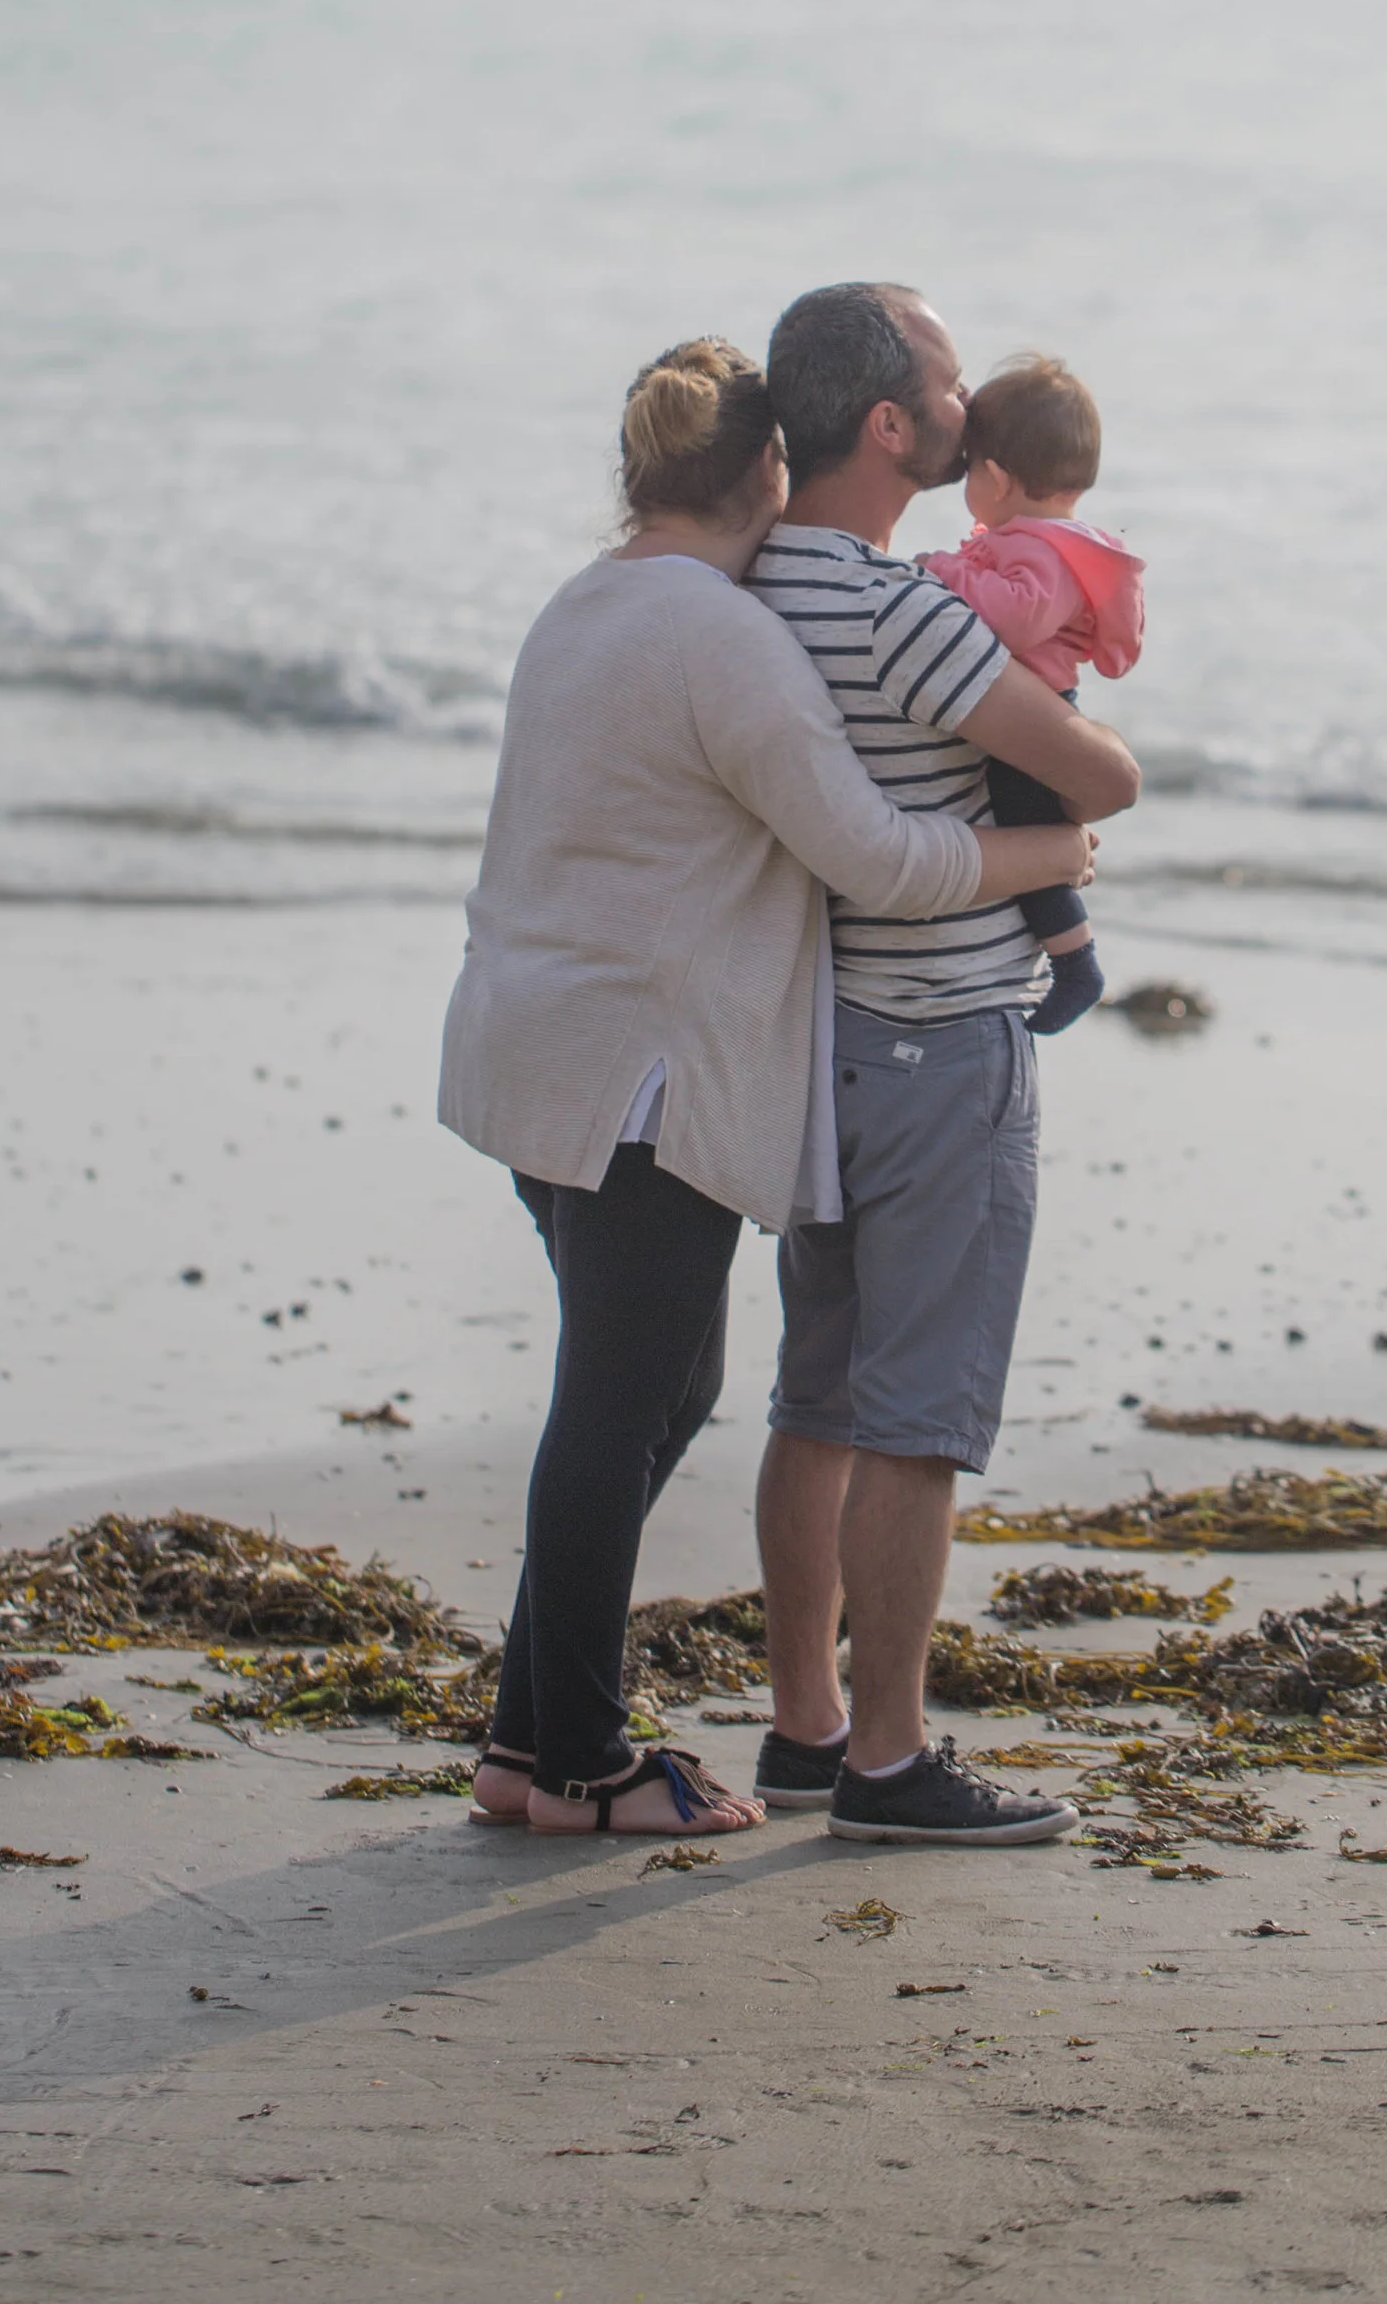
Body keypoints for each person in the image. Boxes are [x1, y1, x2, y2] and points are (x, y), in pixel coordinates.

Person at [437, 335, 1097, 1841]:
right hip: (636, 1080)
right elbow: (875, 855)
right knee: (618, 1407)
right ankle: (584, 1762)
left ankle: (526, 1740)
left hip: (533, 1048)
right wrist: (1052, 853)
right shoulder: (717, 634)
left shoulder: (586, 602)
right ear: (767, 470)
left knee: (662, 1393)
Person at [747, 285, 1142, 1845]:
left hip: (819, 1039)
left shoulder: (751, 581)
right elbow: (1100, 776)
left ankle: (804, 1724)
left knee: (815, 1397)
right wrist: (1065, 844)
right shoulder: (912, 613)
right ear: (889, 422)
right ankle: (890, 1757)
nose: (971, 402)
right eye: (951, 376)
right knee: (916, 1421)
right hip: (944, 1043)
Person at [918, 354, 1146, 1037]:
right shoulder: (1048, 539)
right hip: (1033, 709)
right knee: (1024, 826)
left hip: (1034, 717)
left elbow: (1017, 617)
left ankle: (1075, 963)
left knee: (1028, 838)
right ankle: (1065, 947)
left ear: (994, 478)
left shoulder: (1043, 549)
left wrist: (943, 571)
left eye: (968, 470)